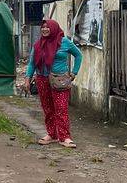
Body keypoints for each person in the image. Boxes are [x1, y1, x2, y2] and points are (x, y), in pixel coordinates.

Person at [23, 20, 83, 148]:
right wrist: (27, 78)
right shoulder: (38, 44)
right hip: (42, 79)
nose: (44, 29)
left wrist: (74, 73)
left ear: (54, 28)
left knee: (61, 109)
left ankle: (65, 137)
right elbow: (32, 63)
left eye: (47, 27)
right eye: (43, 27)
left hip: (59, 79)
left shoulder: (64, 42)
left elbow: (78, 55)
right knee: (48, 109)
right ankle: (52, 134)